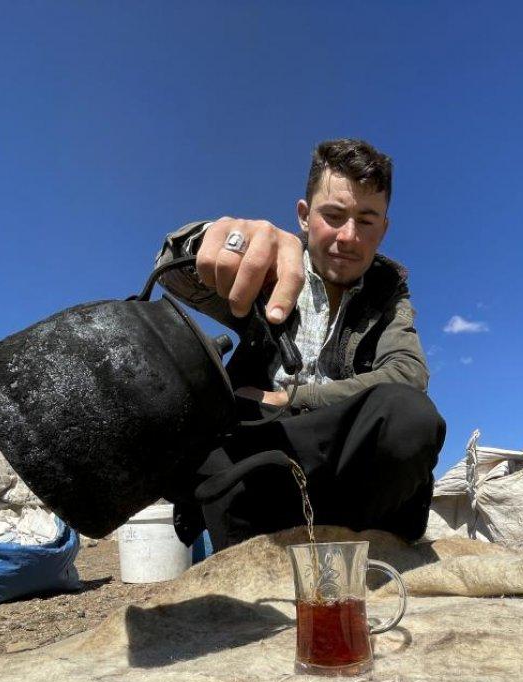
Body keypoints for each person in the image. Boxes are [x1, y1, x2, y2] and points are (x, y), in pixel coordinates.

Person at [155, 138, 446, 550]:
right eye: (334, 215)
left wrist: (295, 398)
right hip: (260, 458)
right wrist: (215, 240)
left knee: (408, 416)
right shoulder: (271, 262)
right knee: (212, 416)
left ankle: (359, 560)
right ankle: (247, 566)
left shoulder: (389, 293)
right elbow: (172, 273)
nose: (348, 237)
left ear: (383, 229)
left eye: (366, 220)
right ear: (305, 216)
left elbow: (408, 373)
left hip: (346, 470)